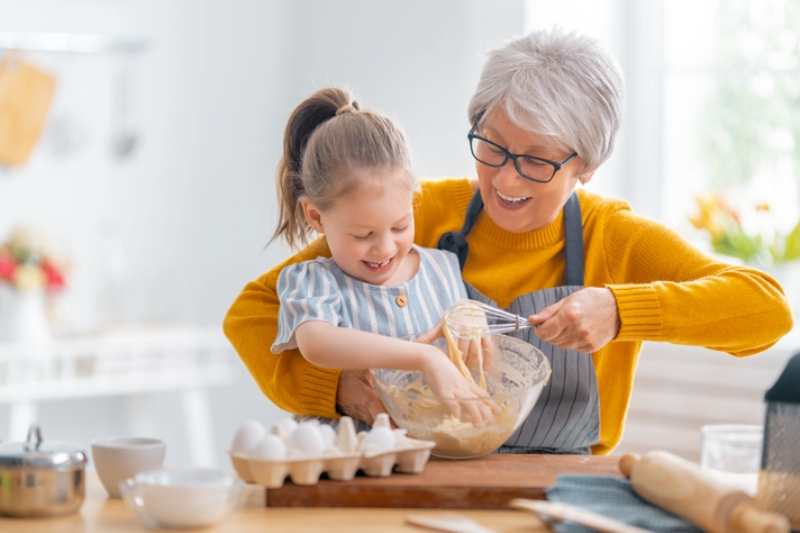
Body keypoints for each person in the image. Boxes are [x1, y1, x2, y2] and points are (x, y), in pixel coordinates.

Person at [224, 28, 793, 455]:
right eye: (491, 146)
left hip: (561, 489)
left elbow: (766, 310)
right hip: (414, 471)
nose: (505, 179)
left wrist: (622, 309)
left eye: (537, 161)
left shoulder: (613, 240)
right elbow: (251, 315)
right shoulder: (418, 215)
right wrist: (340, 389)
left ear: (586, 167)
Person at [266, 87, 494, 430]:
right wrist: (424, 358)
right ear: (316, 217)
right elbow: (318, 343)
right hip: (344, 470)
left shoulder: (444, 268)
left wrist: (471, 315)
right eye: (363, 235)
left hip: (432, 465)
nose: (385, 248)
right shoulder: (312, 282)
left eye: (400, 226)